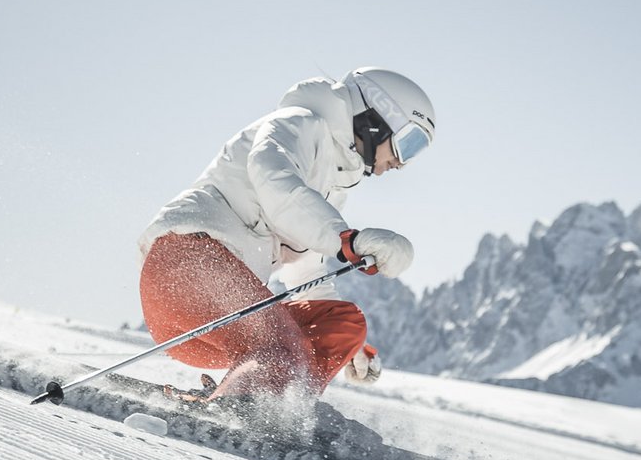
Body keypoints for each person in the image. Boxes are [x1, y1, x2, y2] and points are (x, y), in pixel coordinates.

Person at [135, 67, 435, 409]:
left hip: (222, 318)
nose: (400, 163)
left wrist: (346, 348)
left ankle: (281, 406)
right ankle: (251, 409)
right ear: (377, 117)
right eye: (407, 143)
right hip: (187, 268)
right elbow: (274, 180)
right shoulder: (298, 122)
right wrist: (347, 240)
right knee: (279, 347)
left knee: (343, 324)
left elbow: (306, 272)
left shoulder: (332, 184)